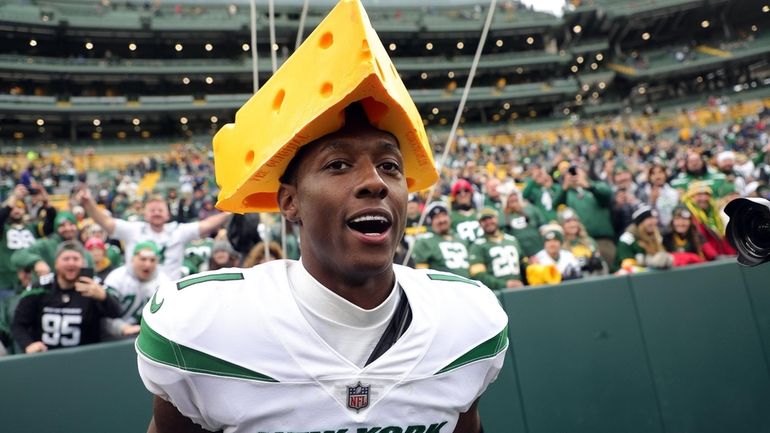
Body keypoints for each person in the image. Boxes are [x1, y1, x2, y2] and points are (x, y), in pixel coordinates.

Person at [136, 4, 507, 430]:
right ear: (289, 202)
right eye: (338, 165)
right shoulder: (201, 328)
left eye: (390, 166)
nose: (375, 182)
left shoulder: (468, 320)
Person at [77, 190, 230, 280]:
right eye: (152, 210)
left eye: (160, 210)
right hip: (137, 290)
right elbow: (106, 222)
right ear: (145, 214)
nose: (156, 213)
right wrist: (88, 203)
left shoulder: (178, 231)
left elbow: (208, 224)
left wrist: (230, 211)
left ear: (168, 214)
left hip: (170, 292)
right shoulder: (134, 230)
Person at [11, 241, 122, 353]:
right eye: (66, 259)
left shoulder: (93, 286)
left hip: (84, 356)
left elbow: (117, 312)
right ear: (56, 263)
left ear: (83, 263)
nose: (71, 263)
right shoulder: (41, 287)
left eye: (76, 259)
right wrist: (28, 344)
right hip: (45, 356)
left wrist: (104, 297)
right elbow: (19, 324)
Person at [102, 241, 171, 339]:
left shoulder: (164, 282)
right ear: (133, 259)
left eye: (152, 260)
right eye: (143, 259)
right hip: (117, 339)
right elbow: (104, 314)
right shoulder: (117, 277)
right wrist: (122, 328)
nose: (148, 264)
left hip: (151, 338)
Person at [468, 208, 524, 290]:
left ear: (497, 218)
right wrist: (504, 284)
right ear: (480, 224)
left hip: (519, 288)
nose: (488, 222)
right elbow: (478, 275)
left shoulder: (512, 240)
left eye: (490, 218)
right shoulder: (477, 245)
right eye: (484, 220)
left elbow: (523, 263)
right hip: (496, 293)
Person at [412, 203, 471, 277]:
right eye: (436, 217)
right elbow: (421, 274)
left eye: (444, 215)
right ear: (431, 222)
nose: (442, 220)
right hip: (442, 286)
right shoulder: (424, 242)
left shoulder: (462, 239)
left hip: (469, 285)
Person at [615, 206, 674, 270]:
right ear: (640, 222)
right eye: (649, 218)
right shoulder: (627, 240)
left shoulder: (658, 237)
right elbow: (627, 268)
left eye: (654, 218)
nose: (654, 221)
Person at [501, 190, 545, 258]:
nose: (514, 203)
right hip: (518, 253)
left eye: (516, 200)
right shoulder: (502, 215)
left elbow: (543, 227)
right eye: (511, 201)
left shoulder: (531, 209)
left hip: (538, 249)